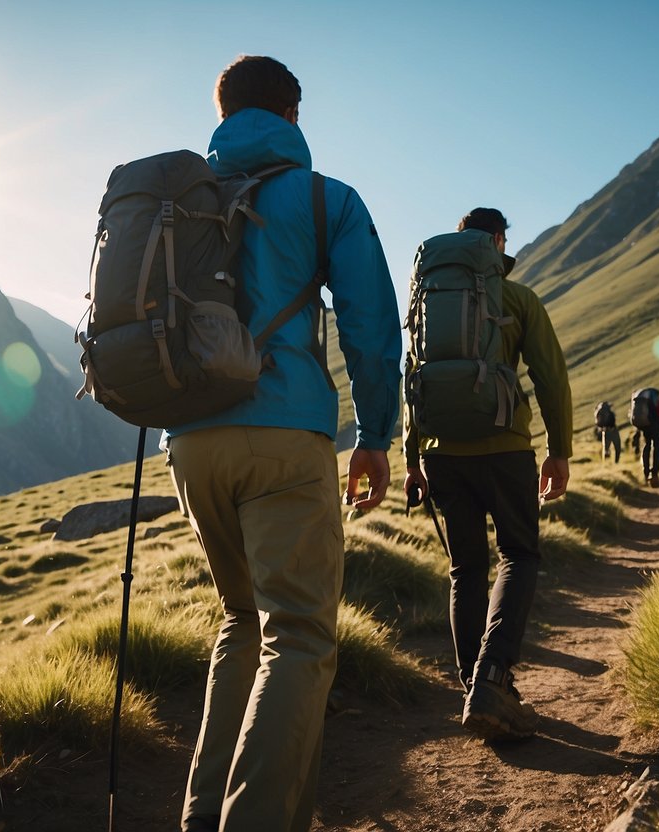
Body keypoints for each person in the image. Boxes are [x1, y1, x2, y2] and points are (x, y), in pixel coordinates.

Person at [164, 56, 402, 832]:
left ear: (223, 112)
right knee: (296, 634)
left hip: (191, 443)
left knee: (240, 621)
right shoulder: (324, 199)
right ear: (292, 115)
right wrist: (373, 435)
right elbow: (369, 330)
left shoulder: (177, 200)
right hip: (285, 435)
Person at [404, 208, 572, 742]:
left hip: (441, 453)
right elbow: (550, 377)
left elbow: (412, 375)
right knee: (518, 554)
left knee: (466, 570)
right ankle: (493, 678)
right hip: (505, 449)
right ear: (497, 242)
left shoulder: (426, 297)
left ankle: (472, 687)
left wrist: (412, 458)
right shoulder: (517, 299)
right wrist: (559, 451)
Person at [631, 387, 659, 487]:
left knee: (647, 445)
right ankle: (654, 473)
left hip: (644, 425)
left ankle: (646, 472)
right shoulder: (654, 396)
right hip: (655, 424)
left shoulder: (639, 396)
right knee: (657, 447)